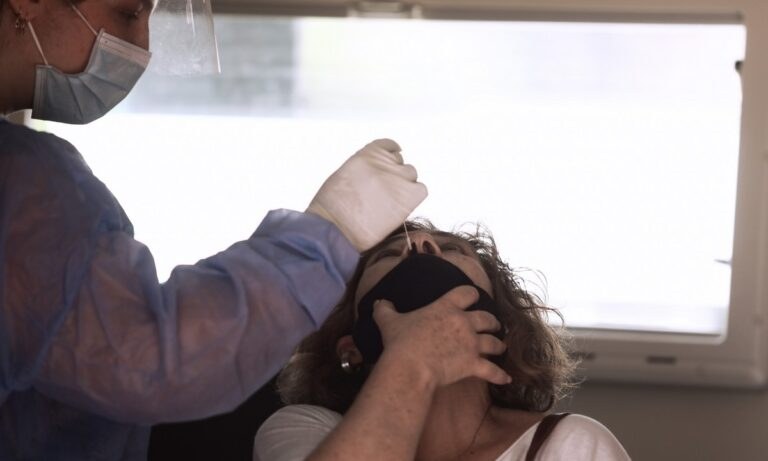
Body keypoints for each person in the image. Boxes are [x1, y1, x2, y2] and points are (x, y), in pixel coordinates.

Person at [0, 1, 427, 459]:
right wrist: (329, 233)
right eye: (129, 12)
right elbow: (150, 359)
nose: (141, 46)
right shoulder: (19, 185)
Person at [255, 221, 632, 460]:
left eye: (453, 249)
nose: (419, 244)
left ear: (503, 327)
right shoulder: (304, 429)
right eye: (389, 254)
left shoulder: (569, 445)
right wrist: (413, 359)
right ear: (349, 348)